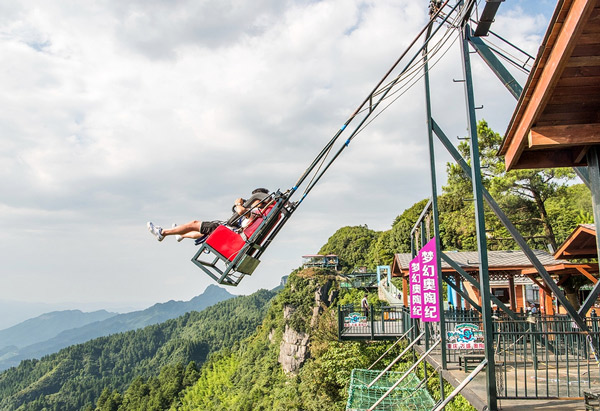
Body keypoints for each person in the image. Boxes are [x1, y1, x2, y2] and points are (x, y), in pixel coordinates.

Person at [147, 188, 270, 242]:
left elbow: (241, 212)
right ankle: (181, 234)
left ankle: (162, 233)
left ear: (257, 199)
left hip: (229, 232)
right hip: (232, 231)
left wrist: (238, 203)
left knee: (194, 223)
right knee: (202, 232)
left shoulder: (257, 211)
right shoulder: (262, 213)